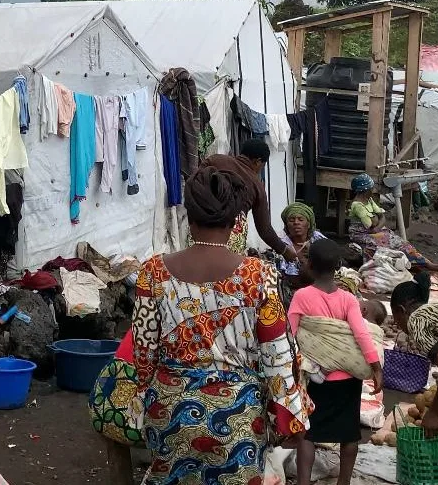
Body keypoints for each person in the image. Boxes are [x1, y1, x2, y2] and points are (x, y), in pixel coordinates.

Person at [133, 165, 310, 485]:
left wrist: (146, 405)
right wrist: (289, 418)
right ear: (237, 222)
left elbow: (143, 353)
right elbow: (278, 356)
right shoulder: (259, 274)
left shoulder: (152, 272)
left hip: (170, 412)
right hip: (238, 417)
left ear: (189, 215)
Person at [288, 239, 383, 485]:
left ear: (309, 265)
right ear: (338, 266)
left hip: (318, 378)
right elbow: (361, 334)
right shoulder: (349, 299)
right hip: (348, 380)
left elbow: (290, 333)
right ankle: (344, 481)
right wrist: (376, 367)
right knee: (349, 433)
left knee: (309, 432)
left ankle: (303, 481)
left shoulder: (301, 296)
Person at [391, 273, 438, 438]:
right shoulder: (433, 313)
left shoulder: (416, 321)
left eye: (397, 320)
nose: (398, 326)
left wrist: (434, 412)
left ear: (401, 310)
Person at [199, 139, 298, 261]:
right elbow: (265, 230)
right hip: (229, 234)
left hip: (201, 224)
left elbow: (194, 183)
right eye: (262, 166)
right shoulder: (257, 185)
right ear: (258, 162)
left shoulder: (215, 160)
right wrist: (284, 250)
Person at [348, 173, 438, 272]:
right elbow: (370, 224)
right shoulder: (358, 205)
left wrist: (377, 224)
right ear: (365, 190)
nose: (372, 190)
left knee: (401, 243)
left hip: (375, 231)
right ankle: (416, 265)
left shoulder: (368, 200)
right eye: (371, 188)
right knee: (387, 247)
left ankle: (426, 263)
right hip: (361, 235)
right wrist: (377, 221)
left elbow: (381, 218)